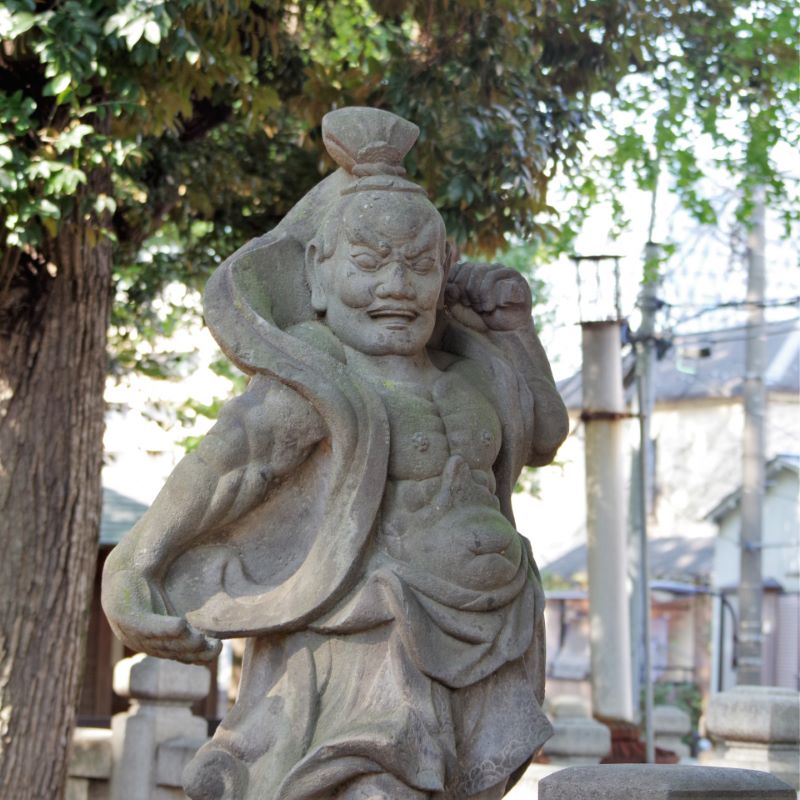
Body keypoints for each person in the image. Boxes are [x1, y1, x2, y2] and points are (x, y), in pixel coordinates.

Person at [102, 107, 568, 800]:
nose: (395, 286)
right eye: (371, 263)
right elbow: (230, 467)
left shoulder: (472, 370)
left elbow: (546, 434)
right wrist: (133, 565)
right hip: (359, 642)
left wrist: (516, 332)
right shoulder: (321, 380)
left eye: (417, 265)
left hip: (492, 631)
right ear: (318, 275)